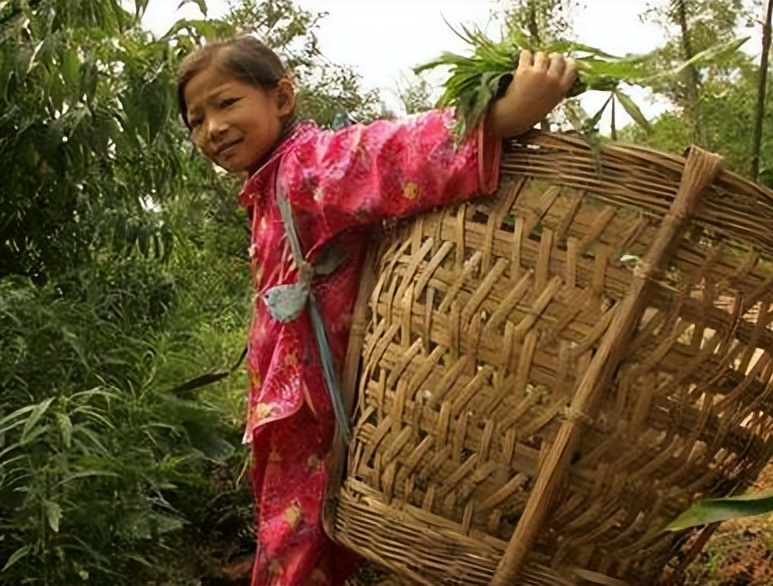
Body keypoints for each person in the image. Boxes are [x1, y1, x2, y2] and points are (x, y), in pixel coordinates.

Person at [176, 34, 577, 586]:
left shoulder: (307, 168)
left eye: (226, 103)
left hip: (312, 411)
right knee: (310, 550)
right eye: (196, 120)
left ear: (283, 98)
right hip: (294, 410)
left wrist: (498, 118)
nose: (212, 128)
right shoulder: (268, 187)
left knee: (292, 558)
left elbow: (386, 155)